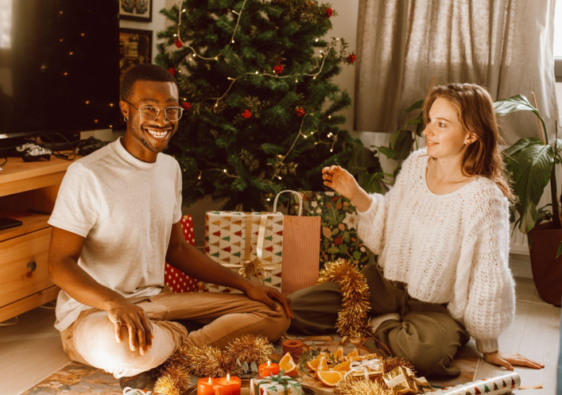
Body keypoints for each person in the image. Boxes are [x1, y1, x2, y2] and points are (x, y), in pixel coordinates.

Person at [47, 64, 292, 388]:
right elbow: (58, 264)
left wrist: (244, 284)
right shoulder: (87, 174)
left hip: (158, 303)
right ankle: (174, 342)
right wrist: (114, 302)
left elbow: (176, 248)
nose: (162, 120)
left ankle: (169, 344)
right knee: (123, 350)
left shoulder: (170, 169)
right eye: (149, 108)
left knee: (275, 312)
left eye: (171, 109)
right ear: (125, 109)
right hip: (94, 313)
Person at [289, 83, 543, 376]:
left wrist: (489, 347)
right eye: (430, 120)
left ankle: (380, 322)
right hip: (385, 285)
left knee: (425, 355)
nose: (428, 131)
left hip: (436, 310)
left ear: (471, 135)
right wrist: (356, 195)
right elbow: (386, 227)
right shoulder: (415, 164)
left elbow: (488, 275)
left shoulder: (484, 198)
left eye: (442, 124)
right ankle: (387, 319)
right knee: (296, 308)